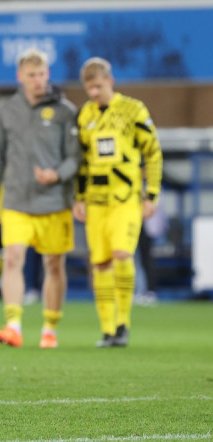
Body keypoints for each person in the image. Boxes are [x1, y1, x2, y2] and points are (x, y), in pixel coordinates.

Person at [0, 48, 80, 349]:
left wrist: (57, 174)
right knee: (13, 258)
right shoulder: (7, 110)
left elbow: (76, 158)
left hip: (54, 202)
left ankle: (50, 328)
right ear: (20, 77)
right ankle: (13, 325)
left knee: (54, 265)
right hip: (16, 201)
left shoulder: (65, 110)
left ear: (47, 74)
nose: (37, 80)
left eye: (41, 74)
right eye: (31, 75)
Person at [73, 57, 163, 347]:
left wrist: (152, 194)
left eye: (98, 86)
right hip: (95, 201)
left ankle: (123, 323)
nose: (94, 93)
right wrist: (79, 197)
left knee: (122, 255)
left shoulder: (133, 109)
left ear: (110, 81)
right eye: (89, 88)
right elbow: (81, 162)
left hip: (125, 198)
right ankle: (107, 330)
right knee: (100, 264)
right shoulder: (84, 116)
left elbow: (153, 153)